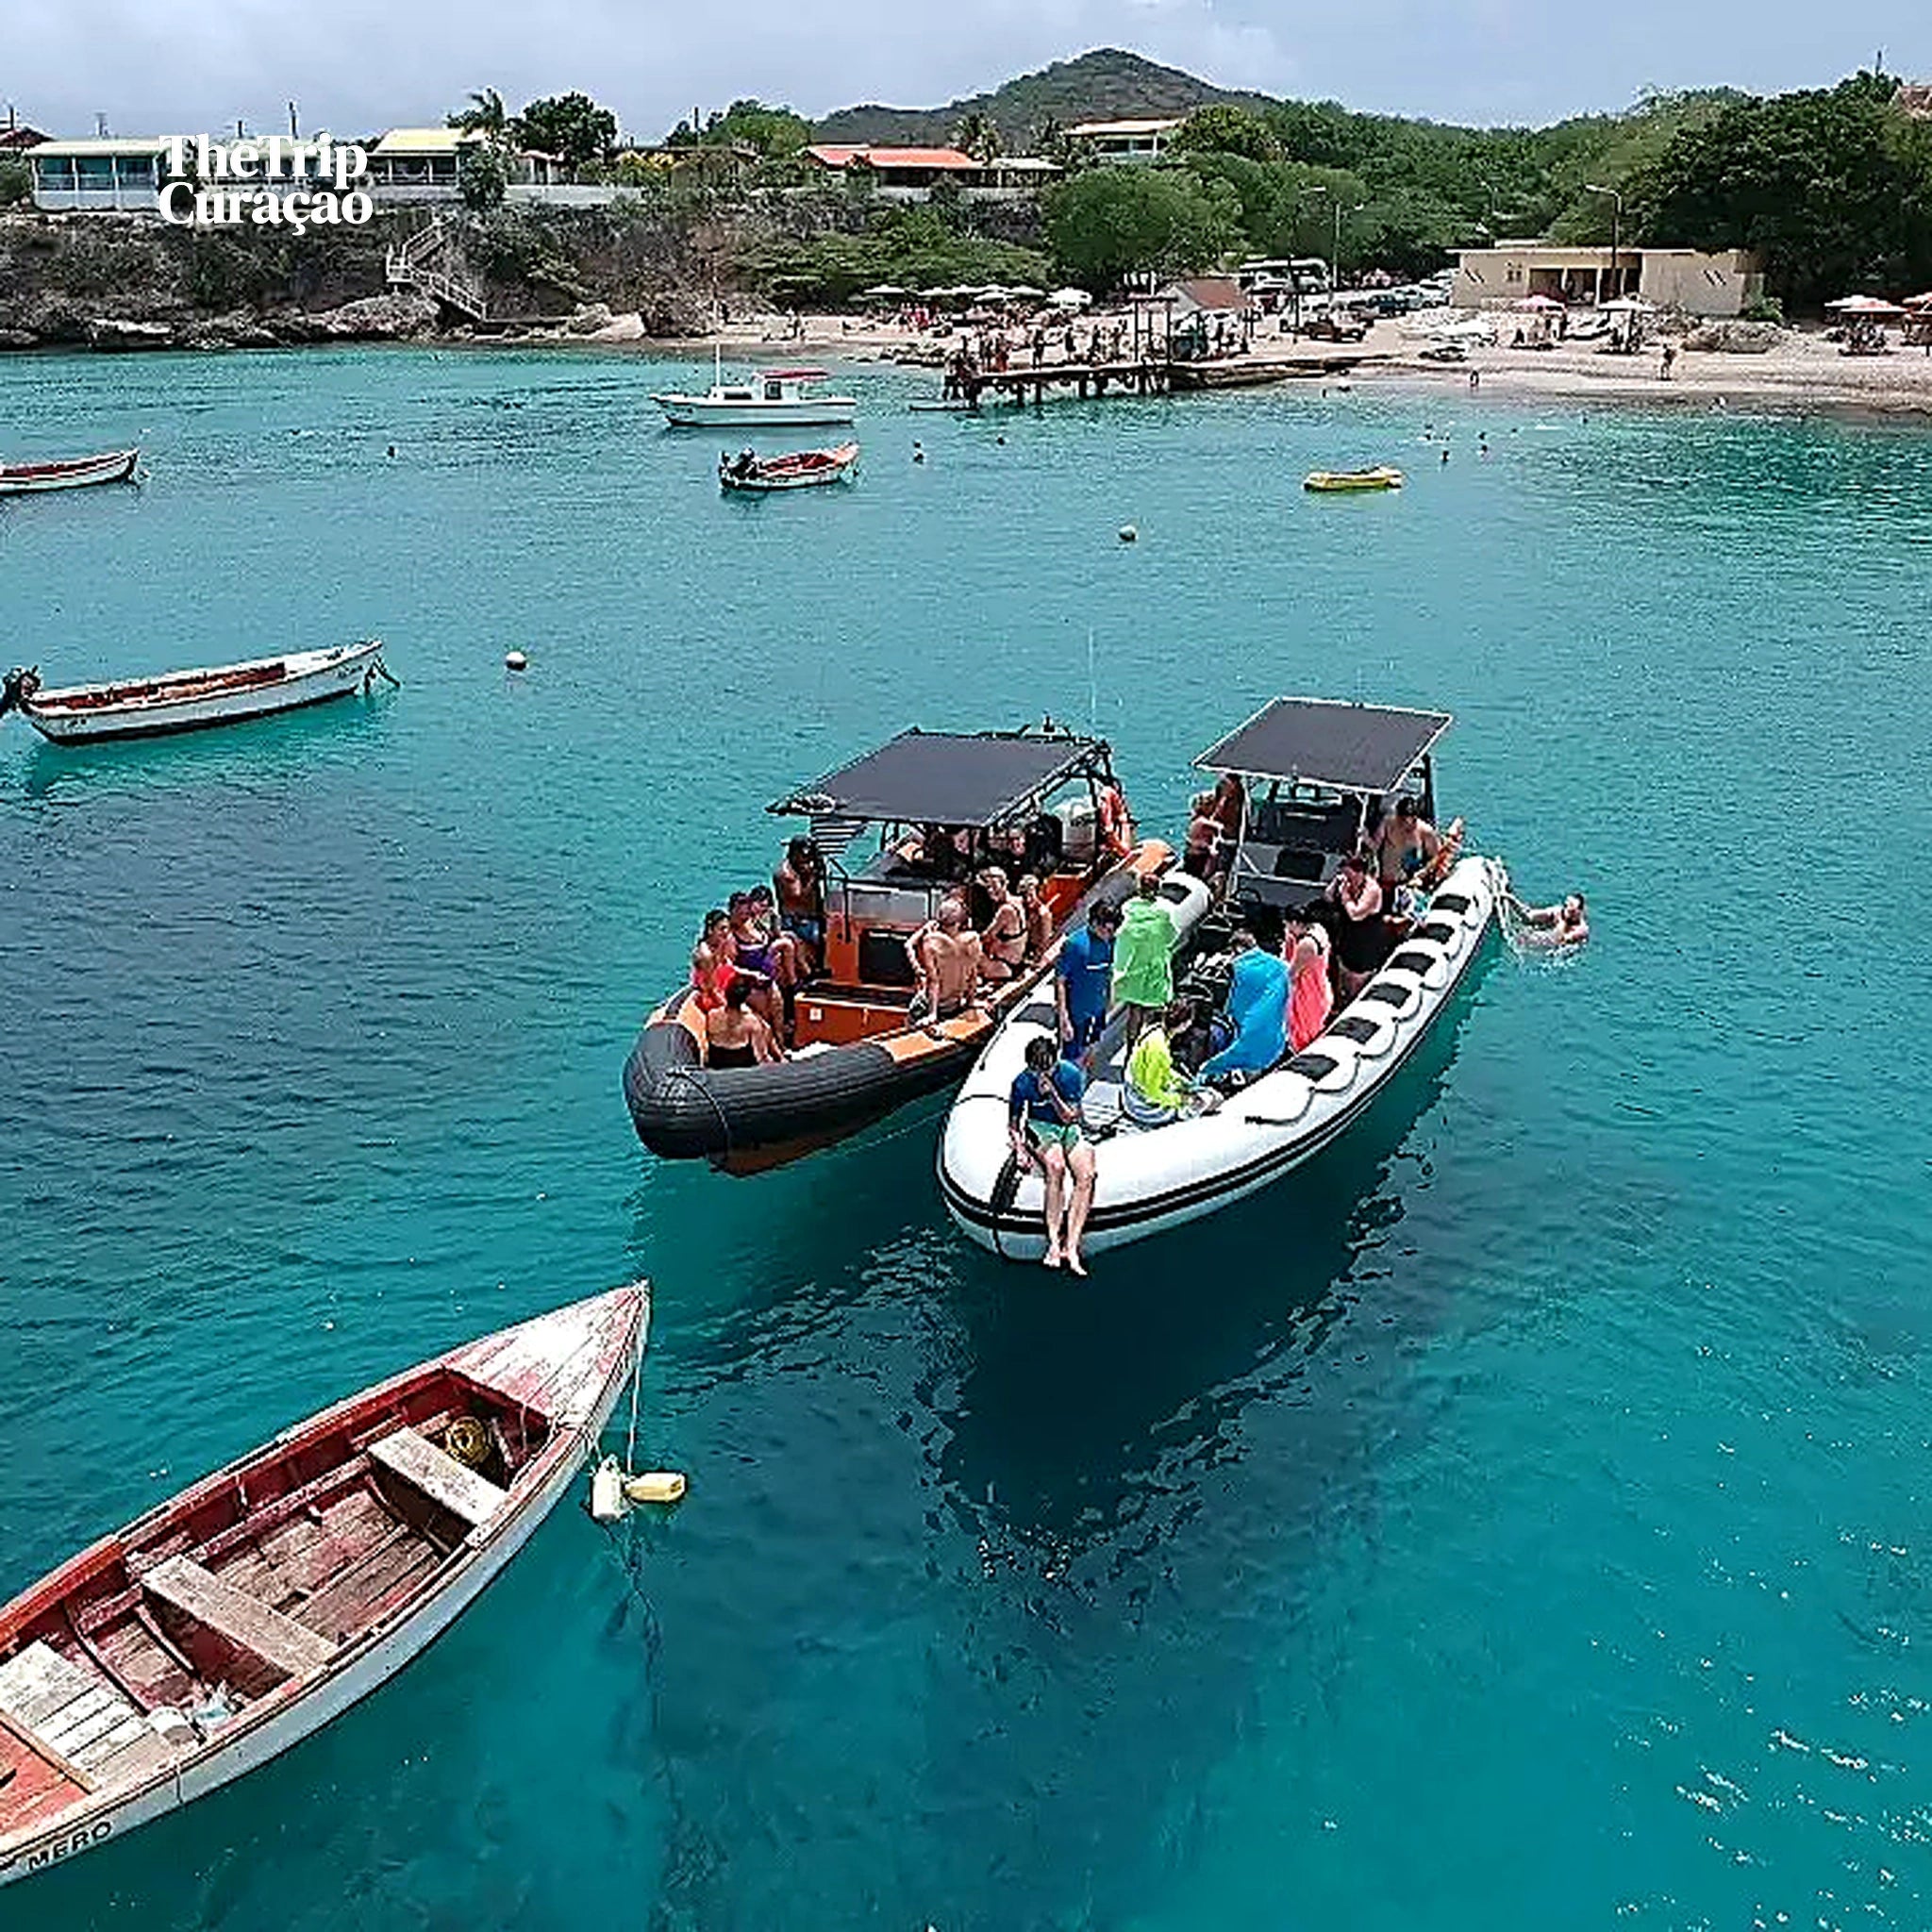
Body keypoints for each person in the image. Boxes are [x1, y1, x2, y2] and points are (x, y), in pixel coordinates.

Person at [1008, 1035, 1095, 1274]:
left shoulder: (1071, 1075)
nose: (1041, 1074)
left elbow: (1071, 1117)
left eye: (1047, 1068)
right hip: (1041, 1128)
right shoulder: (1021, 1083)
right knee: (1055, 1167)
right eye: (1036, 1069)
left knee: (1086, 1175)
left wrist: (1052, 1094)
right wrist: (1019, 1149)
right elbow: (1014, 1124)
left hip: (1067, 1126)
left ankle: (1072, 1247)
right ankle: (1054, 1243)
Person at [1200, 922, 1291, 1082]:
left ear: (1239, 949)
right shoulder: (1279, 965)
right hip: (1279, 1031)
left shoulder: (1240, 969)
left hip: (1253, 1034)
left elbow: (1233, 1006)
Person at [1111, 872, 1178, 1042]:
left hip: (1134, 966)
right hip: (1154, 967)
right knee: (1154, 1012)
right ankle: (1148, 1044)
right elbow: (1171, 937)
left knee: (1135, 1009)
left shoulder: (1127, 908)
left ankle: (1130, 1046)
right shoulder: (1163, 912)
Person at [1125, 997, 1212, 1125]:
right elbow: (1152, 1093)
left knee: (1201, 1095)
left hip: (1137, 1089)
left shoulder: (1155, 1030)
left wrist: (1182, 1083)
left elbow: (1161, 1073)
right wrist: (1181, 1100)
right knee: (1204, 1103)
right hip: (1142, 1104)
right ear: (1184, 1024)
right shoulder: (1160, 1050)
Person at [1056, 899, 1120, 1060]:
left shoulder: (1111, 941)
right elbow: (1060, 981)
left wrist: (1110, 996)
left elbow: (1108, 971)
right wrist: (1064, 1018)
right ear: (1094, 923)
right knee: (1071, 1057)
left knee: (1092, 1050)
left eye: (1113, 931)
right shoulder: (1074, 945)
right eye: (1107, 930)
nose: (1110, 935)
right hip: (1076, 1015)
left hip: (1098, 1010)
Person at [1325, 847, 1386, 998]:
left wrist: (1346, 897)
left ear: (1360, 873)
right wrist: (1335, 883)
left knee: (1356, 981)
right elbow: (1328, 897)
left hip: (1365, 942)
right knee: (1343, 974)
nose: (1346, 877)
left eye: (1349, 874)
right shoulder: (1345, 883)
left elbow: (1355, 914)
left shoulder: (1372, 890)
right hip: (1346, 937)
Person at [909, 898, 983, 1021]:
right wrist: (971, 1002)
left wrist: (932, 1014)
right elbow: (973, 976)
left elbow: (934, 981)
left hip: (929, 1007)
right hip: (954, 1007)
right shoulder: (974, 939)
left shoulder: (931, 941)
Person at [1374, 795, 1443, 913]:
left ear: (1415, 818)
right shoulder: (1388, 823)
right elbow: (1375, 846)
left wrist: (1422, 874)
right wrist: (1364, 836)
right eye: (1400, 820)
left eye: (1406, 821)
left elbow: (1438, 858)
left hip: (1408, 885)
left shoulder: (1425, 831)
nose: (1402, 824)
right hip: (1385, 882)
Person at [1285, 902, 1334, 1051]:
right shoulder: (1319, 928)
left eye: (1288, 925)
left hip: (1307, 992)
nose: (1287, 929)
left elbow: (1292, 974)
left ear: (1294, 922)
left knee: (1303, 1034)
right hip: (1320, 985)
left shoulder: (1306, 945)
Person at [705, 974, 780, 1068]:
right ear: (746, 998)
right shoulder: (752, 1024)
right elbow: (762, 1059)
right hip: (742, 1073)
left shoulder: (712, 1015)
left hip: (717, 1067)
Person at [774, 837, 825, 971]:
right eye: (804, 856)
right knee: (824, 941)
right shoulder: (787, 873)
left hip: (810, 917)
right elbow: (798, 896)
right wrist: (813, 877)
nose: (806, 860)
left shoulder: (798, 868)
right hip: (798, 920)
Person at [977, 867, 1027, 984]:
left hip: (1004, 966)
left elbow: (986, 937)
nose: (990, 891)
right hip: (1013, 962)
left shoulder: (1006, 910)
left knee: (965, 949)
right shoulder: (1018, 901)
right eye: (988, 887)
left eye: (994, 886)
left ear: (1005, 884)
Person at [691, 908, 737, 1011]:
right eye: (722, 929)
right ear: (710, 930)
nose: (726, 932)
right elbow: (712, 991)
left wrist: (752, 974)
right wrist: (731, 1009)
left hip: (726, 992)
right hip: (713, 1001)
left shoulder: (721, 944)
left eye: (727, 928)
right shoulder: (706, 955)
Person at [1515, 893, 1590, 947]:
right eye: (1567, 906)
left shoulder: (1581, 929)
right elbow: (1531, 916)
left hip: (1558, 945)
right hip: (1550, 932)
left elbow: (1562, 940)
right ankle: (1510, 898)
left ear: (1579, 912)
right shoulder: (1558, 911)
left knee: (1524, 938)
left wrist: (1565, 921)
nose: (1568, 909)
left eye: (1572, 909)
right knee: (1527, 917)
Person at [1016, 874, 1053, 962]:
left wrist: (1036, 959)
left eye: (1031, 895)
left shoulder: (1043, 914)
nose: (1028, 899)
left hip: (1036, 951)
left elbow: (1045, 943)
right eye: (1024, 896)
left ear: (1037, 893)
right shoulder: (1024, 910)